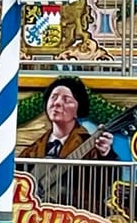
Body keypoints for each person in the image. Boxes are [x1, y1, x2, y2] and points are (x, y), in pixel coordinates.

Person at [27, 75, 115, 213]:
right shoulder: (34, 148)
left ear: (78, 110)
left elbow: (104, 183)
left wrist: (106, 154)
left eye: (66, 100)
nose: (57, 103)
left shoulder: (89, 145)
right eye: (53, 97)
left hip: (77, 217)